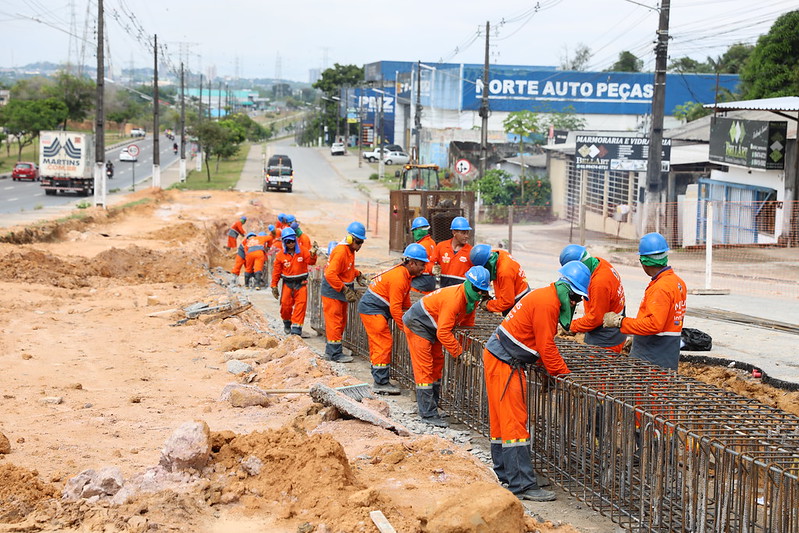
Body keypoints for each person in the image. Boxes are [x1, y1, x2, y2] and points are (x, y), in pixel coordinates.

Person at [483, 260, 590, 502]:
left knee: (503, 422)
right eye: (576, 298)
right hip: (505, 362)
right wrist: (563, 376)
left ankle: (508, 474)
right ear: (568, 290)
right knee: (514, 424)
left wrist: (546, 370)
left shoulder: (546, 296)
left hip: (500, 357)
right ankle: (521, 484)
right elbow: (546, 346)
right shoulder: (548, 303)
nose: (576, 303)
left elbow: (537, 344)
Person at [402, 266, 491, 427]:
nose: (479, 293)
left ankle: (433, 407)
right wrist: (460, 353)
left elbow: (467, 325)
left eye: (482, 291)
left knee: (437, 364)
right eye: (477, 289)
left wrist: (462, 350)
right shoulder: (454, 300)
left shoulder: (471, 300)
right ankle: (427, 413)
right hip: (418, 324)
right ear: (469, 284)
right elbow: (443, 333)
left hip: (433, 325)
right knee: (425, 368)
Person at [603, 232, 687, 370]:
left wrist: (621, 322)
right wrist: (636, 336)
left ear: (644, 262)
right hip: (668, 354)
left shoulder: (661, 287)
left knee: (648, 391)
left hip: (652, 357)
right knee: (664, 390)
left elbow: (654, 325)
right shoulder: (678, 282)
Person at [358, 243, 428, 395]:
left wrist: (411, 315)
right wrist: (405, 328)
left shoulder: (406, 275)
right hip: (372, 308)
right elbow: (395, 308)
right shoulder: (399, 278)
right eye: (422, 264)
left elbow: (405, 301)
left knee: (379, 343)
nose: (424, 268)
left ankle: (380, 377)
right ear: (412, 263)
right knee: (383, 342)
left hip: (375, 308)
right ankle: (380, 382)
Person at [559, 244, 627, 353]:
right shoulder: (600, 263)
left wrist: (571, 326)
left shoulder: (599, 283)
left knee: (600, 366)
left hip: (607, 337)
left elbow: (595, 319)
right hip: (611, 325)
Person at [321, 221, 368, 363]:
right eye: (358, 242)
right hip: (333, 291)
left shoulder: (350, 251)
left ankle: (334, 350)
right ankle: (334, 354)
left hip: (340, 290)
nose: (360, 246)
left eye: (361, 243)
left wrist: (357, 273)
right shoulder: (341, 252)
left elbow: (345, 269)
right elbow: (330, 274)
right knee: (334, 321)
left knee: (340, 321)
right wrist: (344, 289)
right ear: (350, 239)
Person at [271, 227, 318, 336]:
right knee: (285, 305)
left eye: (292, 241)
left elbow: (311, 262)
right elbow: (276, 272)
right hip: (288, 283)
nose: (290, 244)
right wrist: (274, 286)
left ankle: (296, 329)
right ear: (284, 242)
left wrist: (313, 254)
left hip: (301, 283)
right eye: (288, 241)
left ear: (295, 240)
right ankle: (287, 322)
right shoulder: (280, 256)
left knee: (301, 306)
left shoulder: (303, 251)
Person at [470, 244, 530, 315]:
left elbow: (507, 302)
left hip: (518, 302)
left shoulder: (505, 272)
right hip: (518, 290)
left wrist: (487, 304)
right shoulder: (498, 254)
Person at [430, 216, 473, 288]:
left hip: (461, 291)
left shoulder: (471, 251)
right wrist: (433, 268)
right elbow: (431, 262)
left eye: (467, 233)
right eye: (463, 233)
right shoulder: (441, 247)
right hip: (444, 289)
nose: (466, 236)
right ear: (454, 232)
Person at [409, 216, 436, 294]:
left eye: (414, 231)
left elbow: (415, 266)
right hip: (431, 278)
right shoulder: (432, 242)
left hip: (422, 277)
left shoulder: (421, 246)